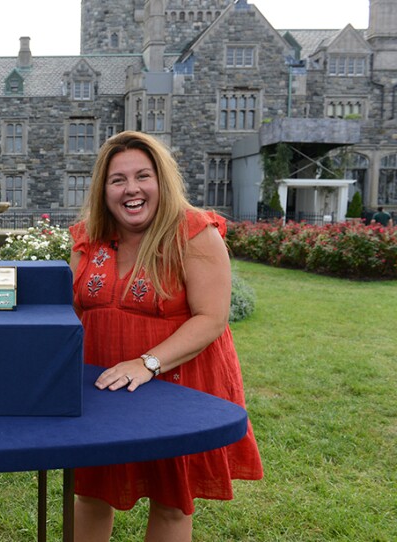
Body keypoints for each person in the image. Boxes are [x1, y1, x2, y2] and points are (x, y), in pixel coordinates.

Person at [68, 131, 263, 542]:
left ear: (162, 181)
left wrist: (146, 363)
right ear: (103, 189)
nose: (131, 189)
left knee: (171, 503)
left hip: (177, 381)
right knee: (89, 494)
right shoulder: (88, 237)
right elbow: (72, 310)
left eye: (143, 176)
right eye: (117, 179)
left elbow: (211, 317)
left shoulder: (193, 232)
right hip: (101, 385)